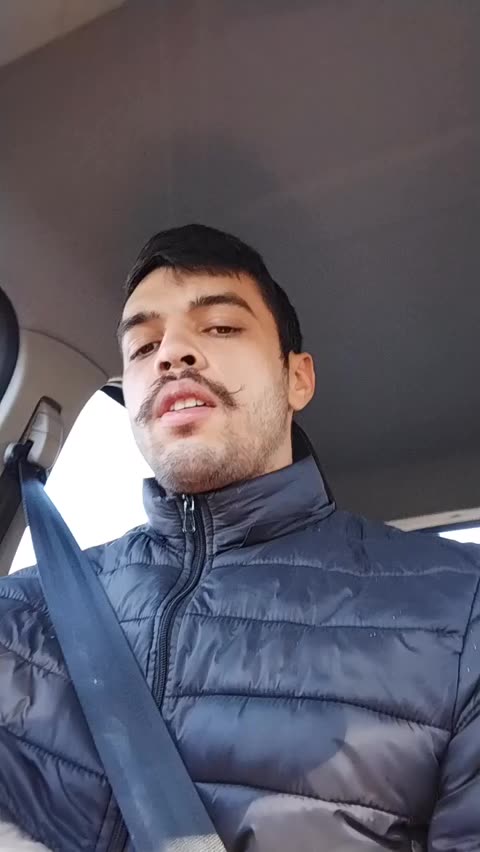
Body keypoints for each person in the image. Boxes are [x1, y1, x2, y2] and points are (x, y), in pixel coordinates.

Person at [0, 224, 479, 852]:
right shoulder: (20, 612)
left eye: (221, 327)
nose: (172, 353)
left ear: (298, 378)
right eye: (143, 345)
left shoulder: (462, 612)